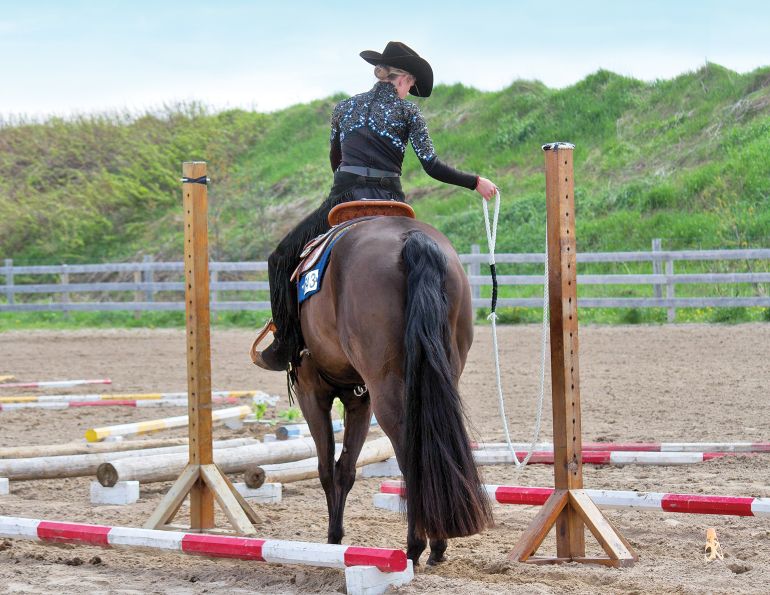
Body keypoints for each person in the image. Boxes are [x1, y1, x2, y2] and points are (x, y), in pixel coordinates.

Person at [253, 41, 498, 372]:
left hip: (345, 200)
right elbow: (432, 166)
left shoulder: (344, 108)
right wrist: (475, 181)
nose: (409, 91)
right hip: (391, 203)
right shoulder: (409, 113)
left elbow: (336, 161)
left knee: (280, 258)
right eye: (411, 84)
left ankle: (286, 342)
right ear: (403, 78)